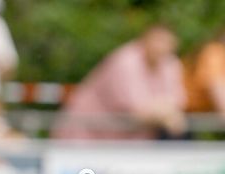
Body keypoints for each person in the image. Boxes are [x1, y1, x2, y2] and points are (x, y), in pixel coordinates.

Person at [52, 24, 186, 140]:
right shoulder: (125, 61)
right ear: (145, 40)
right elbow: (135, 110)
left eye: (166, 42)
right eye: (158, 41)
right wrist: (165, 113)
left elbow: (178, 100)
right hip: (87, 133)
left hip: (125, 141)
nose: (161, 47)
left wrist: (163, 112)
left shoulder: (170, 63)